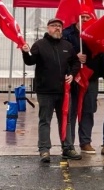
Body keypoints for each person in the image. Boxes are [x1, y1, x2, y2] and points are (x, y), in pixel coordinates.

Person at [21, 18, 82, 163]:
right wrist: (25, 52)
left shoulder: (67, 45)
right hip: (45, 91)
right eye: (54, 26)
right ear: (48, 28)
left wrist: (72, 75)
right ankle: (44, 150)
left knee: (65, 121)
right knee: (45, 121)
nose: (57, 28)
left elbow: (76, 62)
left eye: (60, 26)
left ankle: (67, 148)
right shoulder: (39, 45)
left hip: (64, 92)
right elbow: (30, 61)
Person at [62, 6, 104, 155]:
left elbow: (103, 51)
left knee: (88, 110)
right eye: (82, 17)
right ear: (77, 18)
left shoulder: (96, 32)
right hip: (74, 78)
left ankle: (85, 142)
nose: (85, 20)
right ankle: (69, 144)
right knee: (72, 111)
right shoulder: (67, 34)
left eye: (88, 17)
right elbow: (61, 52)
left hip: (91, 78)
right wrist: (76, 56)